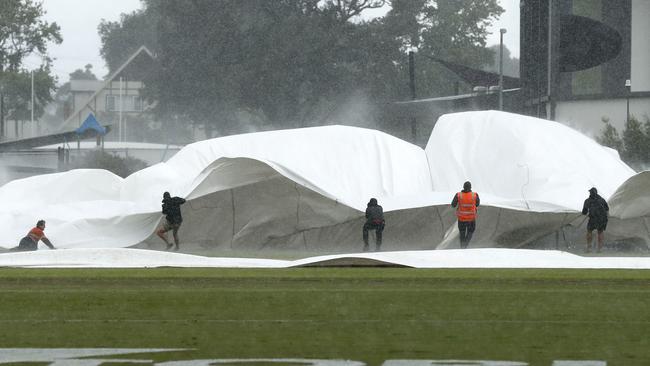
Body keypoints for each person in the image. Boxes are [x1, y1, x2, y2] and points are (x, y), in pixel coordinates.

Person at [451, 181, 480, 249]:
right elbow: (477, 204)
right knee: (470, 231)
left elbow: (453, 205)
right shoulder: (475, 195)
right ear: (470, 187)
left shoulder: (458, 195)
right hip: (471, 218)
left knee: (462, 233)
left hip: (461, 218)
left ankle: (462, 247)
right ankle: (465, 245)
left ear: (463, 187)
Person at [582, 187, 609, 253]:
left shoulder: (587, 201)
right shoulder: (602, 200)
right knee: (600, 232)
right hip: (602, 218)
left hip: (593, 218)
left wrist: (588, 212)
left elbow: (584, 212)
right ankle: (600, 249)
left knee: (589, 231)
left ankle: (589, 248)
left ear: (590, 193)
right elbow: (607, 209)